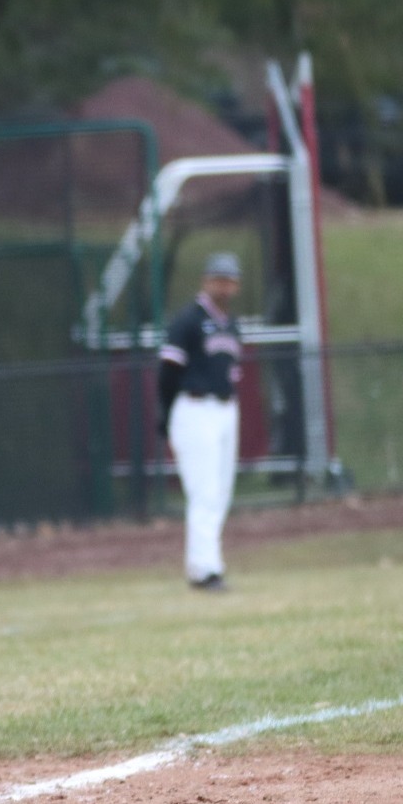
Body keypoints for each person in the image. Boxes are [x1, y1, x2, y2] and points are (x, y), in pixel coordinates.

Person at [157, 253, 245, 591]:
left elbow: (231, 373)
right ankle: (204, 569)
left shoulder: (232, 325)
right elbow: (168, 373)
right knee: (204, 491)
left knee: (221, 491)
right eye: (218, 278)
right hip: (194, 408)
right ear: (206, 281)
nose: (224, 285)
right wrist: (165, 416)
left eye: (230, 279)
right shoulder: (188, 321)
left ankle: (209, 564)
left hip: (225, 410)